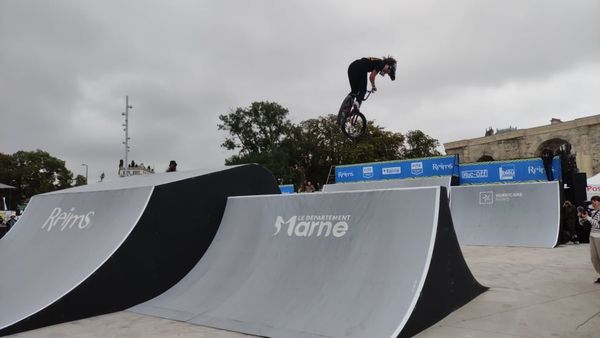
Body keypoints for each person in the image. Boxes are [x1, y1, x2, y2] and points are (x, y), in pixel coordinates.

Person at [579, 195, 600, 283]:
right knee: (594, 258)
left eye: (595, 201)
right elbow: (582, 224)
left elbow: (598, 225)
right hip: (592, 236)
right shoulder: (591, 212)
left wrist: (588, 217)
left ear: (599, 202)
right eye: (592, 201)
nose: (593, 202)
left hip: (599, 237)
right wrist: (581, 217)